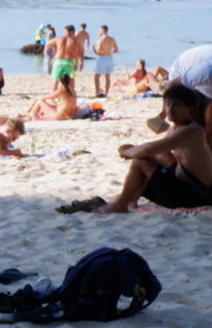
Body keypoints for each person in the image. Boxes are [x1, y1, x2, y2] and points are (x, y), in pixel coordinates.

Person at [95, 85, 212, 213]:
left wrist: (126, 151)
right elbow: (159, 150)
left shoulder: (192, 131)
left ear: (190, 108)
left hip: (196, 195)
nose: (171, 110)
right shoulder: (176, 128)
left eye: (177, 105)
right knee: (156, 156)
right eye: (168, 104)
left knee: (141, 160)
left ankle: (120, 205)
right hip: (187, 186)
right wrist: (135, 150)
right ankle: (132, 201)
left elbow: (148, 150)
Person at [90, 26, 119, 98]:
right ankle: (106, 93)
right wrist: (110, 51)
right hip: (110, 58)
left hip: (102, 58)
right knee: (107, 77)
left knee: (96, 77)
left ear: (103, 30)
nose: (98, 31)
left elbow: (99, 53)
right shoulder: (112, 39)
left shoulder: (100, 40)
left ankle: (97, 92)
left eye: (99, 30)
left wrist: (93, 49)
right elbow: (117, 50)